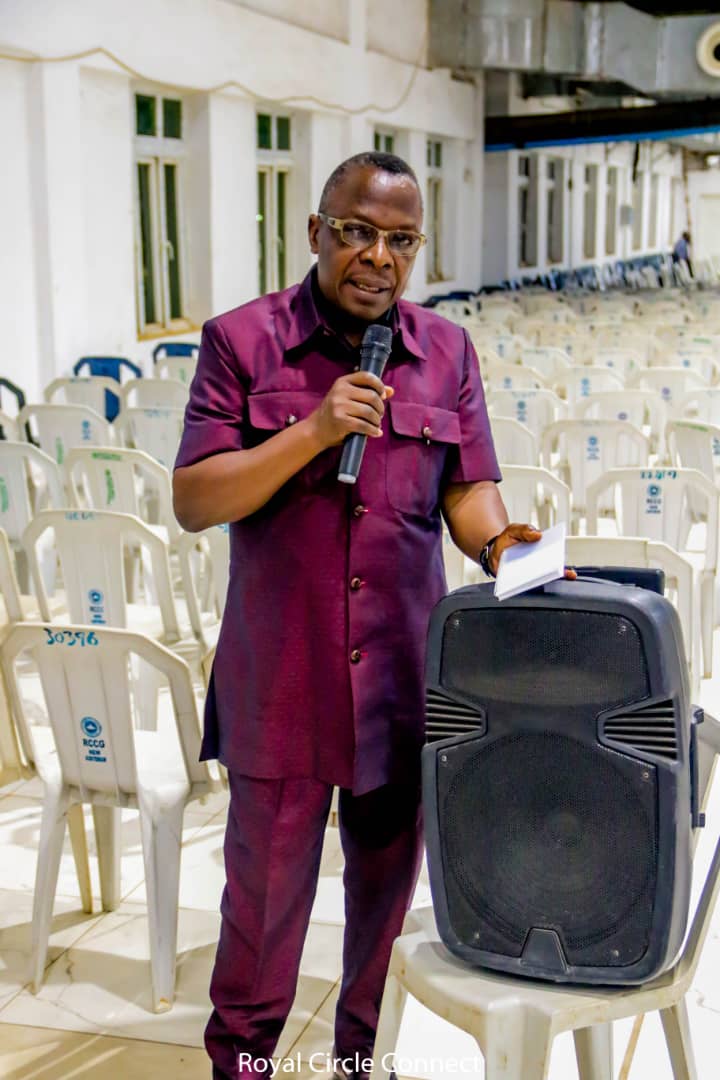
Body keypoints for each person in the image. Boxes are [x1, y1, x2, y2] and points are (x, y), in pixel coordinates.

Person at [173, 151, 546, 1080]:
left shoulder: (447, 352)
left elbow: (468, 489)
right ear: (317, 232)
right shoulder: (240, 341)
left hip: (400, 684)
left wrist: (503, 547)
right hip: (284, 682)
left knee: (384, 910)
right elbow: (195, 497)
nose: (379, 257)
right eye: (357, 232)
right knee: (261, 917)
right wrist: (314, 429)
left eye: (401, 240)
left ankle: (356, 1062)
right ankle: (244, 1064)